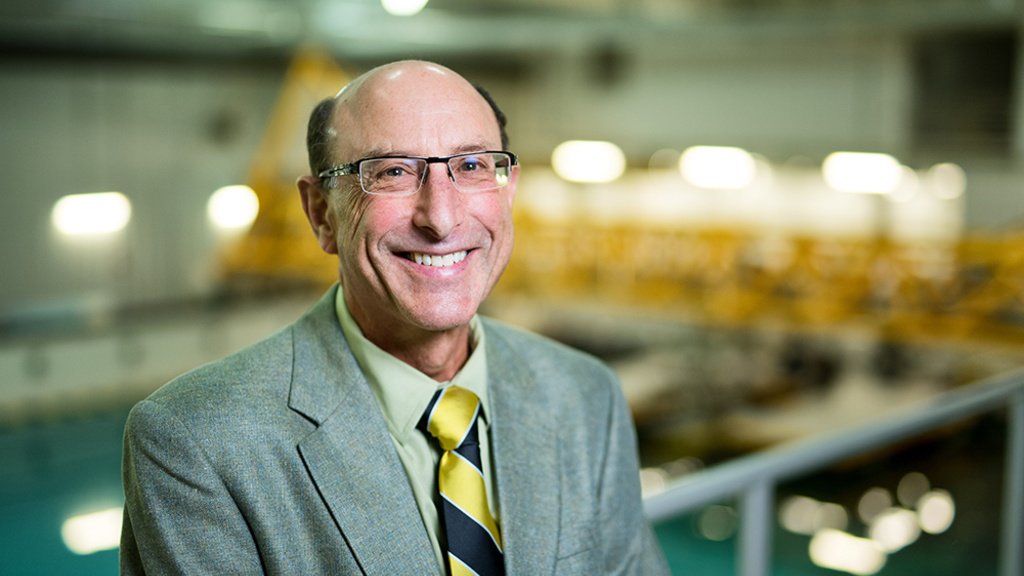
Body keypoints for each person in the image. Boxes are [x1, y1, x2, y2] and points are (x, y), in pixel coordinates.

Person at [120, 60, 670, 575]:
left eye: (472, 166)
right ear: (321, 214)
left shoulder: (585, 395)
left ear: (508, 192)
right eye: (392, 172)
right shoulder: (197, 443)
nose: (441, 218)